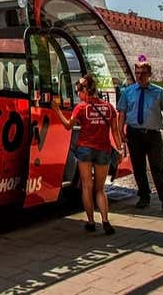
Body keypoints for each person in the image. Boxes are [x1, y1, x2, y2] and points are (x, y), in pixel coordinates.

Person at [52, 74, 123, 235]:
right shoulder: (108, 107)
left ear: (84, 91)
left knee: (86, 186)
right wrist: (119, 149)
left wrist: (57, 110)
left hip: (84, 148)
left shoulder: (81, 108)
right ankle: (105, 220)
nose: (78, 94)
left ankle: (91, 221)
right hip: (103, 149)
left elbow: (68, 126)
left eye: (78, 91)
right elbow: (115, 131)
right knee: (100, 189)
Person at [117, 61, 163, 214]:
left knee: (158, 168)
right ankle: (144, 196)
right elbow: (122, 112)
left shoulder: (158, 92)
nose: (140, 76)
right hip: (134, 133)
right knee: (138, 167)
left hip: (153, 134)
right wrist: (120, 131)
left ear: (149, 74)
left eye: (143, 73)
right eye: (137, 73)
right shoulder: (127, 92)